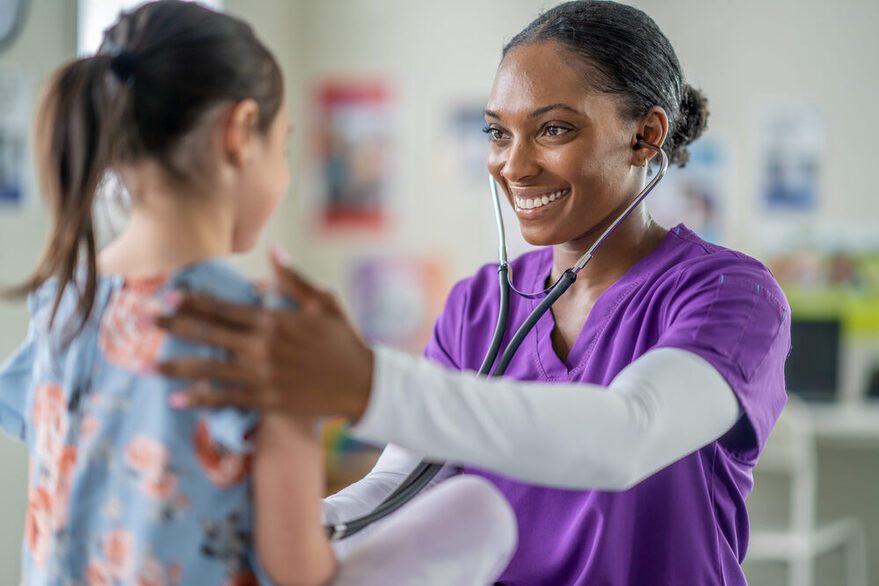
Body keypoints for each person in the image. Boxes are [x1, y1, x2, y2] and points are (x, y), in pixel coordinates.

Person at [156, 2, 791, 585]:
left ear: (646, 135)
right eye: (497, 132)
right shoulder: (481, 305)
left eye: (553, 130)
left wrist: (367, 384)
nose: (513, 165)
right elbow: (404, 484)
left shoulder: (729, 294)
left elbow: (628, 436)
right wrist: (275, 527)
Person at [0, 2, 515, 585]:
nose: (285, 173)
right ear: (241, 133)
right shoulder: (265, 330)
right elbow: (297, 572)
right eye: (285, 147)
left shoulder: (65, 303)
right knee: (480, 511)